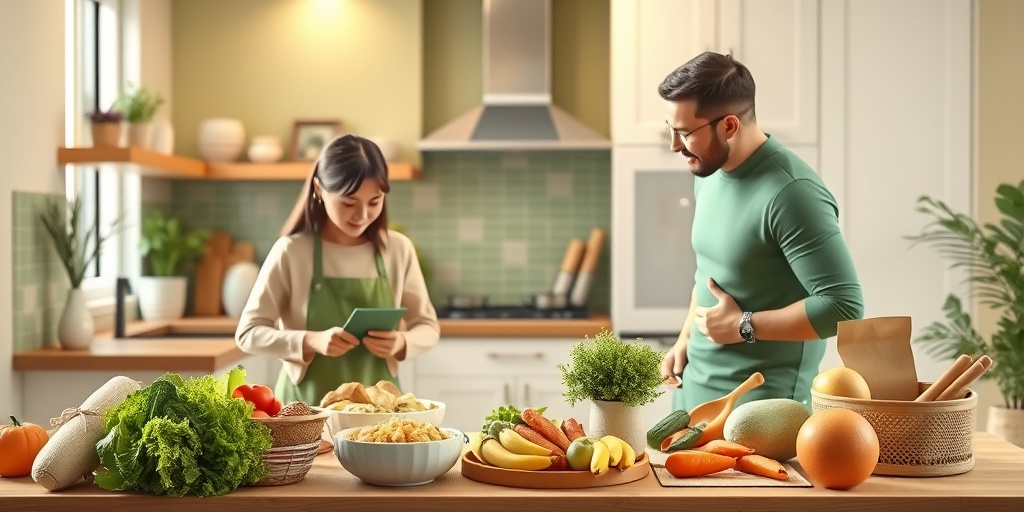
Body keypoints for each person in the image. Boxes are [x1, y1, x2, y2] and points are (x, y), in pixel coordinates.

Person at [658, 52, 864, 412]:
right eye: (671, 129)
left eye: (685, 133)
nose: (674, 145)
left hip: (760, 413)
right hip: (691, 396)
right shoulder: (709, 172)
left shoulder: (793, 193)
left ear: (729, 126)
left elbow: (843, 307)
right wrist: (685, 338)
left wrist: (744, 325)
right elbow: (709, 273)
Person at [236, 134, 440, 406]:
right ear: (319, 189)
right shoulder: (291, 251)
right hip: (305, 408)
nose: (362, 215)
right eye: (349, 203)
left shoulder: (398, 249)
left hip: (381, 411)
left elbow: (427, 326)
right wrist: (311, 341)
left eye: (374, 201)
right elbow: (248, 333)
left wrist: (401, 343)